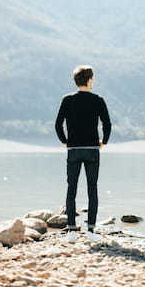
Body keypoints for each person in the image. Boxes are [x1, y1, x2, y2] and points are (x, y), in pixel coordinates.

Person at [55, 65, 111, 243]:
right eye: (92, 78)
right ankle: (91, 231)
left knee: (71, 188)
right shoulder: (98, 100)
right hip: (92, 150)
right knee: (92, 189)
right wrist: (104, 142)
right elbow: (107, 124)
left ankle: (71, 231)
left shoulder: (67, 99)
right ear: (89, 80)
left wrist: (65, 141)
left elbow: (58, 124)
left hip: (73, 150)